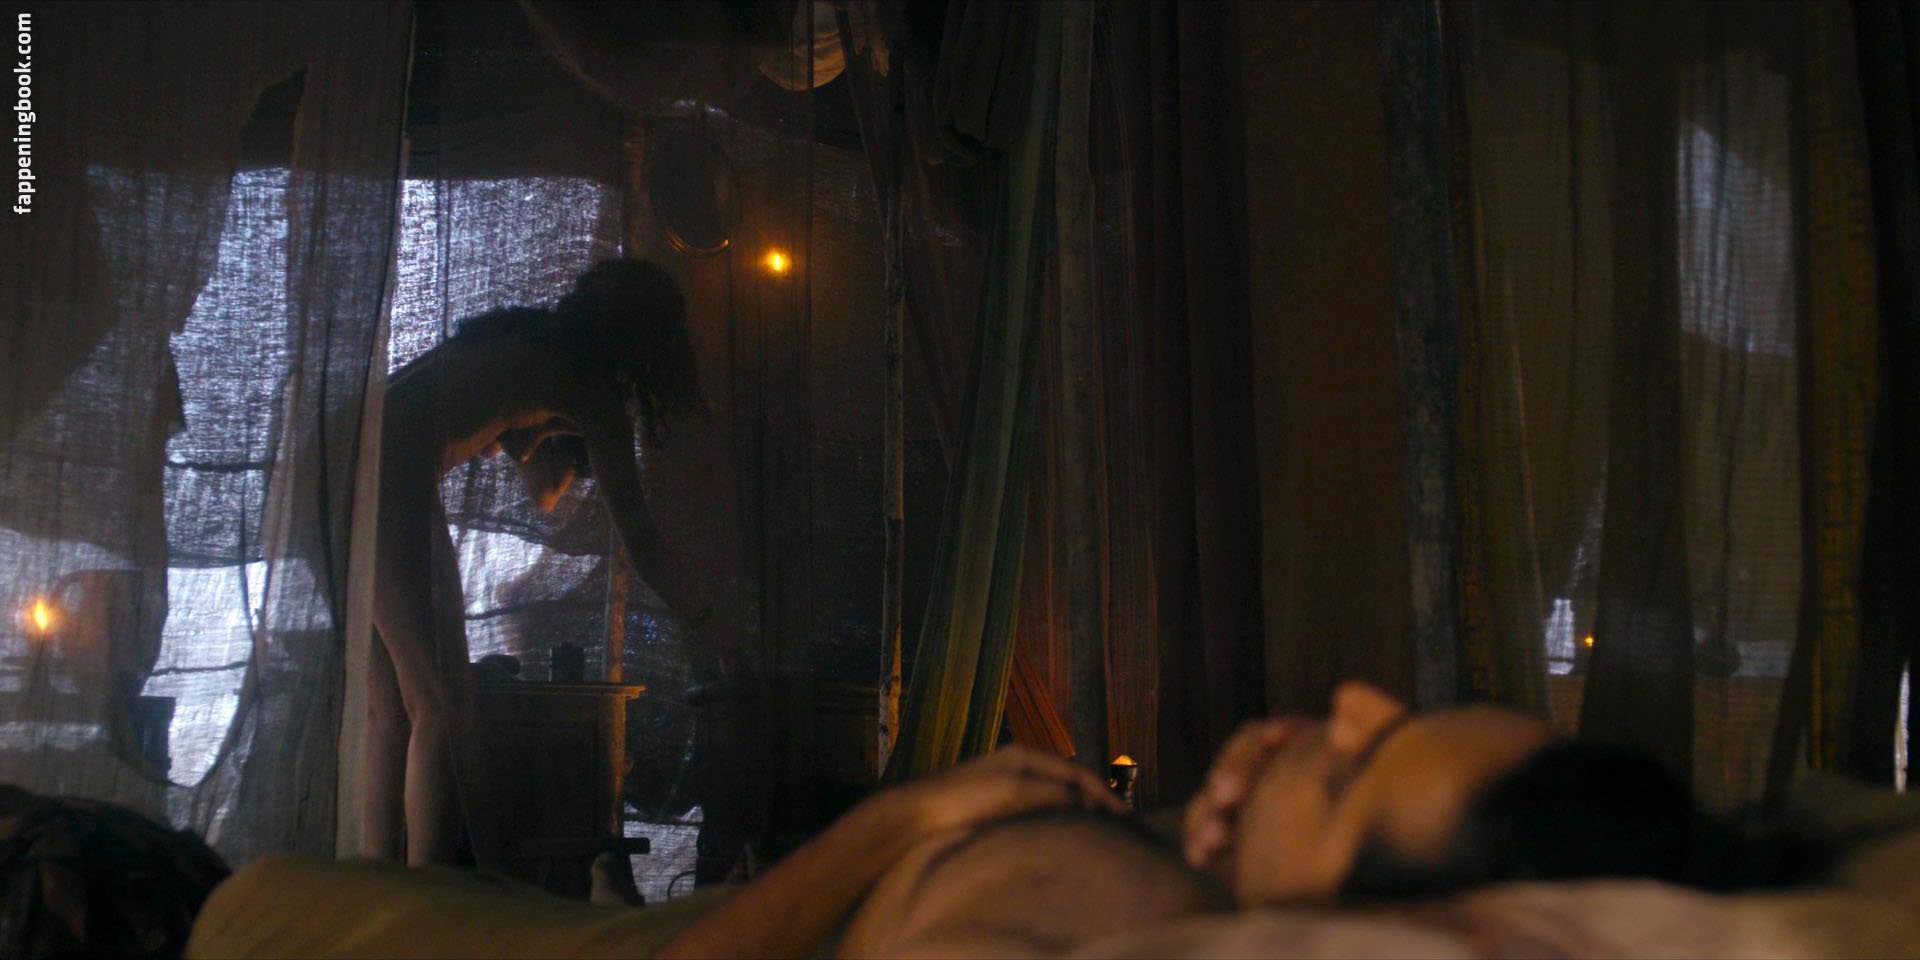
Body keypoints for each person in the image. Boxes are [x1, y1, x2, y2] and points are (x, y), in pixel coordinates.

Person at [651, 680, 1821, 958]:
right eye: (1401, 712)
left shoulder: (1083, 898)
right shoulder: (1185, 875)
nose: (1351, 702)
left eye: (1347, 775)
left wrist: (899, 820)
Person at [364, 259, 719, 867]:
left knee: (391, 714)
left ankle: (373, 879)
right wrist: (708, 621)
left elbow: (542, 490)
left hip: (324, 466)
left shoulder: (524, 345)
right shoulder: (584, 384)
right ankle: (424, 888)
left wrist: (552, 431)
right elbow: (642, 539)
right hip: (385, 479)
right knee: (443, 712)